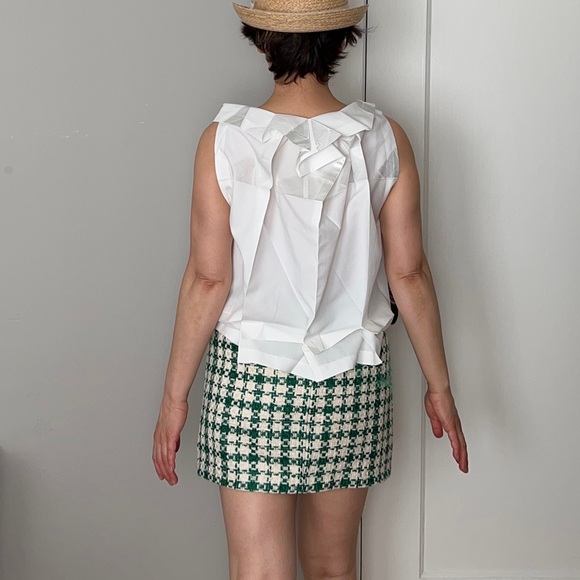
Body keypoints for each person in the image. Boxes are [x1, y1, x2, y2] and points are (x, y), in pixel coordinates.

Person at [153, 0, 469, 578]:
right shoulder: (384, 137)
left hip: (248, 377)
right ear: (344, 38)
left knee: (259, 570)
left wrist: (175, 399)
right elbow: (409, 274)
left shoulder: (223, 141)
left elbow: (208, 278)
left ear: (259, 38)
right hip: (352, 378)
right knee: (332, 567)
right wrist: (439, 386)